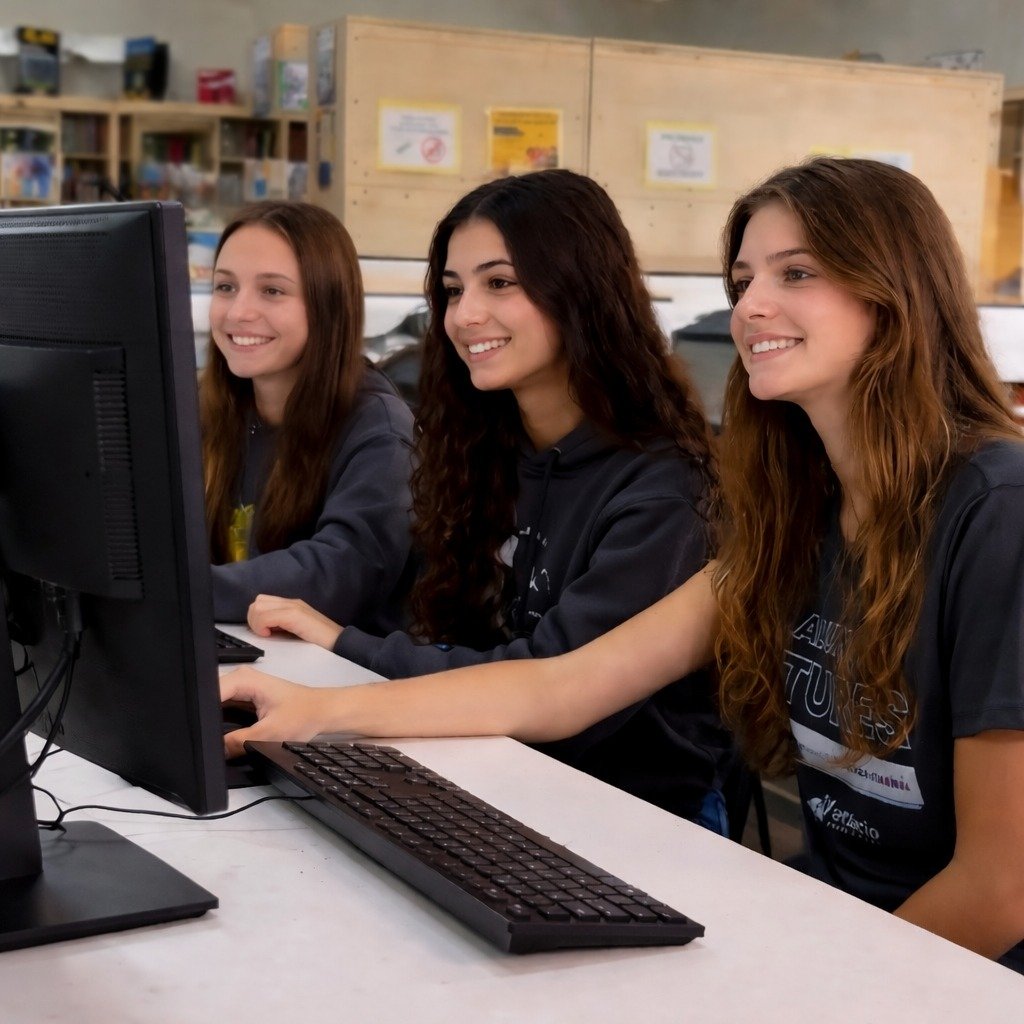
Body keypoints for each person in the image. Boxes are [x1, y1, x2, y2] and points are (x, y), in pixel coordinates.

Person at [223, 158, 1024, 968]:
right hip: (828, 925)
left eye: (798, 273)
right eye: (742, 278)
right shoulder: (800, 508)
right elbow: (564, 684)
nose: (750, 306)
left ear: (897, 290)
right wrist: (314, 711)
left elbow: (1001, 889)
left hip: (947, 976)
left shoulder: (997, 508)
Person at [242, 169, 733, 829]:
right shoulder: (486, 450)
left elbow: (550, 690)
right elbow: (457, 641)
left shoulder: (667, 486)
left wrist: (346, 645)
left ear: (581, 290)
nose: (464, 314)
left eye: (500, 282)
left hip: (635, 820)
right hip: (494, 776)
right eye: (453, 289)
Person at [202, 200, 415, 633]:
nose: (238, 311)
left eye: (272, 291)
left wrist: (179, 593)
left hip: (342, 681)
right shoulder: (208, 408)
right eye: (225, 287)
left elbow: (338, 574)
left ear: (327, 306)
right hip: (245, 649)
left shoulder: (379, 428)